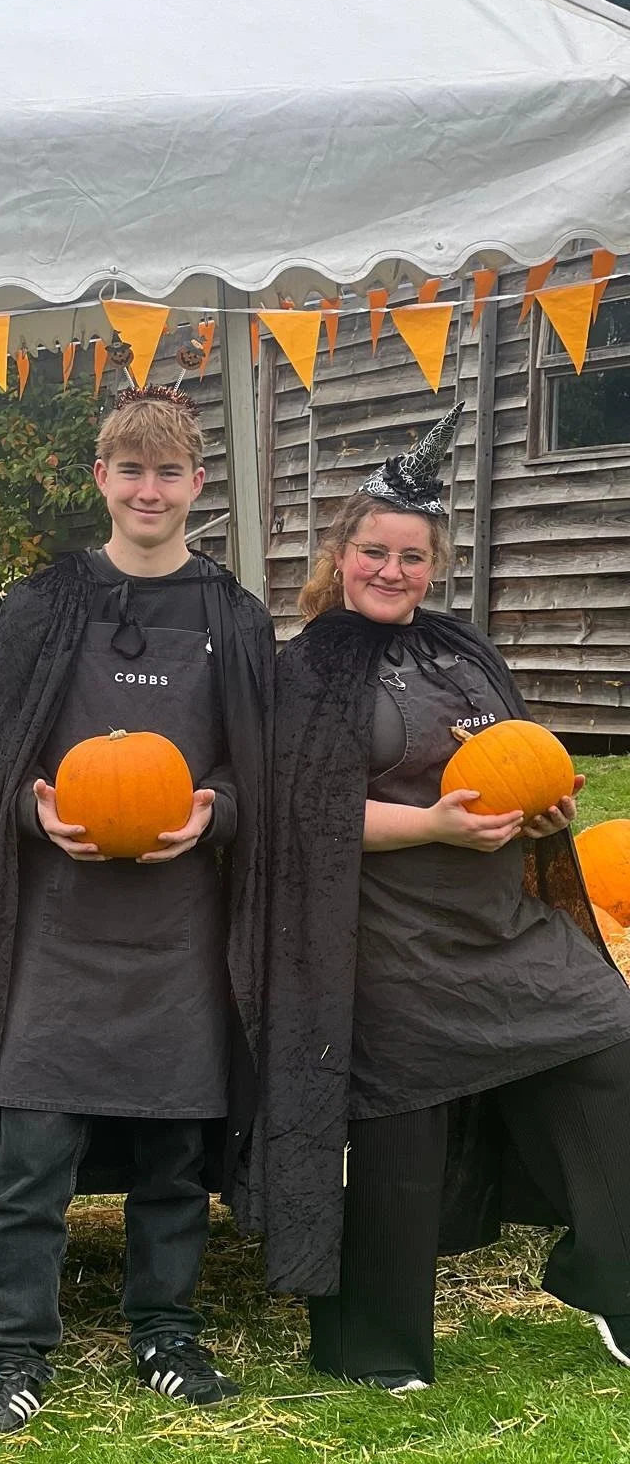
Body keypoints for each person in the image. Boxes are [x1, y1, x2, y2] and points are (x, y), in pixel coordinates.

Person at [259, 403, 630, 1390]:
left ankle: (610, 1277)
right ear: (341, 557)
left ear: (436, 566)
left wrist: (543, 815)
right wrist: (432, 825)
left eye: (412, 557)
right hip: (387, 937)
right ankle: (375, 1345)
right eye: (375, 552)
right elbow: (304, 814)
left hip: (502, 923)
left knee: (611, 1041)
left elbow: (516, 761)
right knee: (399, 1114)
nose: (392, 571)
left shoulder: (461, 651)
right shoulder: (310, 667)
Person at [0, 385, 274, 1441]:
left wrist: (214, 809)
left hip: (180, 925)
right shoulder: (45, 605)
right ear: (101, 478)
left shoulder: (232, 614)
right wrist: (35, 809)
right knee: (31, 1149)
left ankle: (165, 1332)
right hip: (61, 922)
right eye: (131, 470)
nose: (149, 490)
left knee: (175, 1152)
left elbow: (256, 763)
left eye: (168, 473)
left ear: (198, 484)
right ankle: (13, 1354)